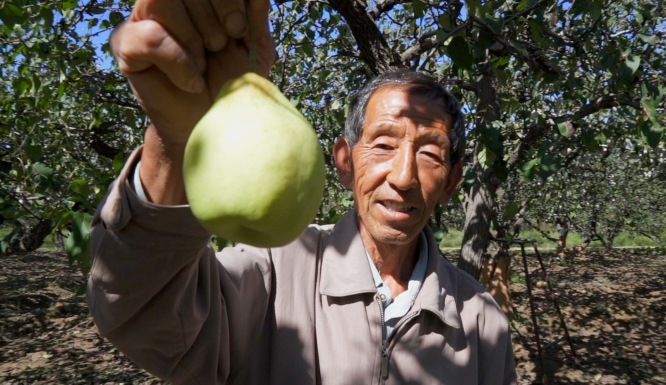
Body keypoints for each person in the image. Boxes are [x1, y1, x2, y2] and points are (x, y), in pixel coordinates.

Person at [87, 0, 517, 384]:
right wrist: (174, 143)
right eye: (383, 145)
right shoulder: (275, 271)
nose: (403, 176)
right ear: (345, 163)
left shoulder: (481, 321)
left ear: (452, 182)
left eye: (429, 153)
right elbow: (142, 315)